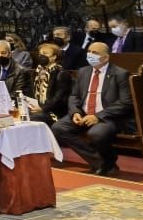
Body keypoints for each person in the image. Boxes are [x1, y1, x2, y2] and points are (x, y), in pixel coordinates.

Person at [51, 41, 134, 176]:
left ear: (106, 57)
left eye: (95, 53)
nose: (90, 55)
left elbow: (125, 103)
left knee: (96, 134)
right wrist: (75, 112)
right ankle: (101, 162)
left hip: (107, 117)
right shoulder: (83, 71)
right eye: (89, 52)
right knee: (59, 127)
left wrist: (98, 116)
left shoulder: (120, 74)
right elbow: (74, 96)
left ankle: (107, 161)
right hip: (84, 113)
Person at [27, 42, 72, 124]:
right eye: (40, 54)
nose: (41, 56)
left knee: (29, 118)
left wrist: (43, 109)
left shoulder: (61, 73)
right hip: (38, 107)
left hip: (54, 112)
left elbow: (59, 99)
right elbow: (32, 93)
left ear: (54, 57)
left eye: (45, 53)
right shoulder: (37, 72)